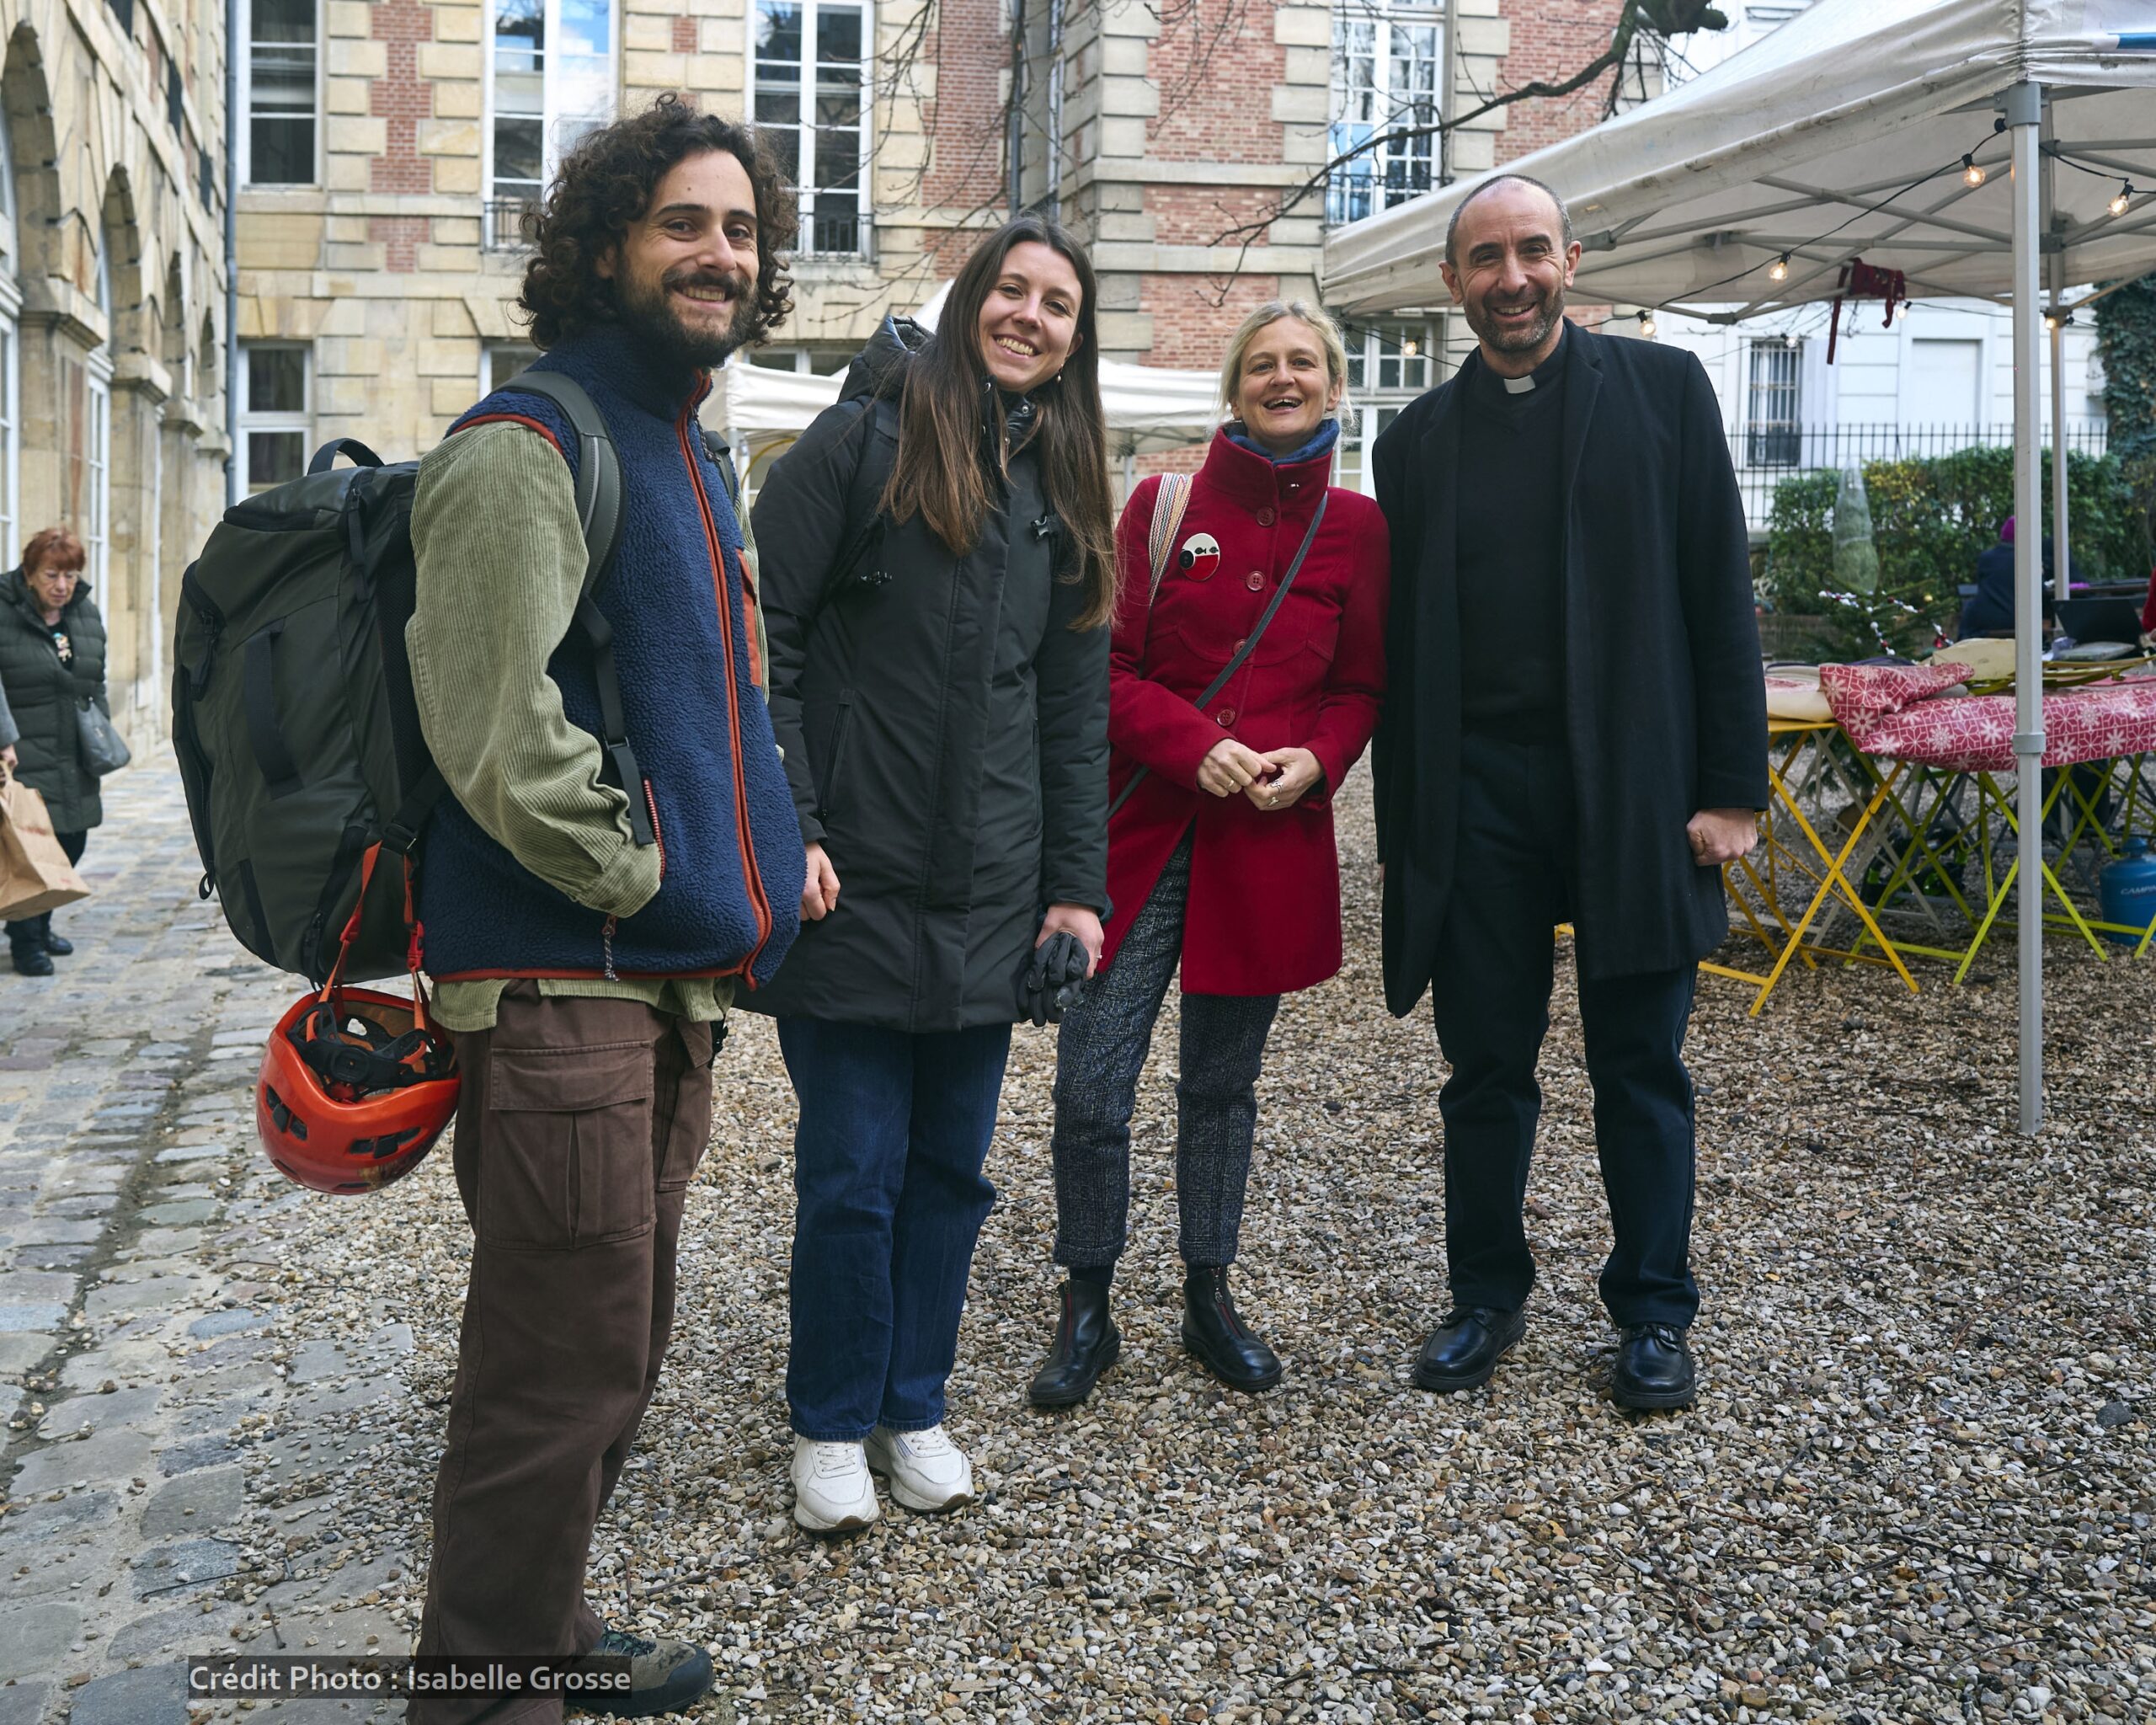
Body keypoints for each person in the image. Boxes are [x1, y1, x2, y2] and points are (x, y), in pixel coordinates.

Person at [401, 97, 805, 1723]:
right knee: (551, 1366)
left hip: (664, 983)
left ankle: (544, 1626)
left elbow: (719, 706)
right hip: (563, 978)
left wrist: (775, 851)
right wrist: (660, 876)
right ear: (607, 244)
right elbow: (496, 736)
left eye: (742, 230)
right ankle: (481, 1689)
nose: (721, 254)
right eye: (682, 222)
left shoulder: (686, 447)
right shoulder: (528, 442)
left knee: (615, 1348)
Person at [1369, 174, 1766, 1412]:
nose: (1513, 278)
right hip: (1478, 796)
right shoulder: (1413, 441)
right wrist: (1407, 828)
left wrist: (1732, 788)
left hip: (1632, 784)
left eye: (1532, 251)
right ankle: (1485, 1294)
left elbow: (1719, 590)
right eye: (1486, 258)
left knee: (1640, 1065)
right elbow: (1402, 651)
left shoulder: (1664, 391)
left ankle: (1653, 1310)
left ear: (1571, 260)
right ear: (1453, 282)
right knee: (1484, 1067)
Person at [751, 214, 1113, 1531]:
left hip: (992, 896)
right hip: (850, 882)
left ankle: (914, 1403)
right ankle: (831, 1420)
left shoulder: (1062, 488)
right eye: (1011, 291)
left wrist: (1075, 888)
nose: (1030, 316)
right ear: (970, 303)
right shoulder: (858, 445)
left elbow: (1073, 711)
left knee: (953, 1176)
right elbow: (766, 646)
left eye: (1057, 304)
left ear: (1074, 341)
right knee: (852, 1176)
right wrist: (790, 825)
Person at [1027, 302, 1390, 1407]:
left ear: (1333, 385)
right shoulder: (1163, 505)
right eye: (1262, 364)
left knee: (1222, 1088)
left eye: (1303, 363)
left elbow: (1359, 686)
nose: (1283, 378)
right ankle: (1087, 1299)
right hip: (1141, 833)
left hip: (1264, 846)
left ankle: (1208, 1293)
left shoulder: (1360, 528)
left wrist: (1319, 760)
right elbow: (1105, 671)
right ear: (1233, 387)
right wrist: (1197, 745)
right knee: (1092, 1081)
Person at [1, 528, 104, 977]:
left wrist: (100, 728)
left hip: (73, 749)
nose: (62, 585)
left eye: (70, 575)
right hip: (22, 749)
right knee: (30, 843)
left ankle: (40, 925)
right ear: (29, 573)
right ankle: (26, 941)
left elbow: (96, 677)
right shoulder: (4, 612)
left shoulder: (84, 613)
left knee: (71, 840)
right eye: (51, 575)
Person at [1960, 515, 2084, 637]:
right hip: (2016, 619)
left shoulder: (1986, 558)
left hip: (1985, 619)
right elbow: (2040, 592)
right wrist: (2040, 573)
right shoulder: (2028, 559)